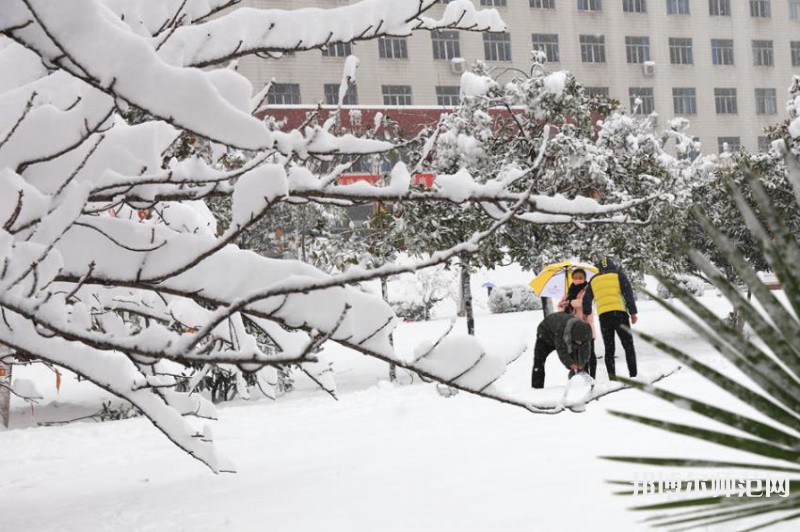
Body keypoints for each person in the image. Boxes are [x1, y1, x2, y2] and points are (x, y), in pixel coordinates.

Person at [581, 256, 638, 380]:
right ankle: (633, 375)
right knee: (628, 345)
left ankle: (612, 378)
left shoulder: (594, 280)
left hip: (604, 316)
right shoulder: (619, 275)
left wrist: (586, 312)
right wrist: (633, 312)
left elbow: (587, 299)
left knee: (609, 348)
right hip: (620, 314)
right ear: (612, 265)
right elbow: (628, 294)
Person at [531, 312, 593, 389]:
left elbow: (586, 351)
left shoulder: (585, 333)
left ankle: (579, 385)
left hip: (563, 334)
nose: (580, 344)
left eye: (582, 342)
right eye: (578, 341)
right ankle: (536, 388)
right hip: (545, 334)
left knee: (578, 362)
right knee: (539, 361)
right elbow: (562, 351)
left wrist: (581, 364)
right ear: (573, 335)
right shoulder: (562, 329)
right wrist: (571, 364)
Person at [557, 268, 597, 378]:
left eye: (580, 278)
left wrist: (570, 302)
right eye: (575, 278)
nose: (577, 280)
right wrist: (564, 306)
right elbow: (560, 306)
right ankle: (580, 376)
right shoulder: (569, 291)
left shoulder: (587, 289)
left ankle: (592, 377)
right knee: (577, 354)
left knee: (590, 353)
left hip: (585, 325)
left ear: (584, 279)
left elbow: (582, 303)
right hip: (573, 328)